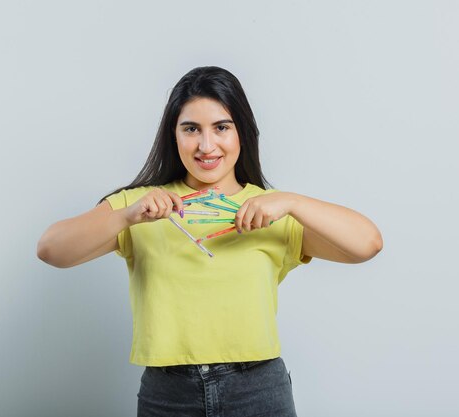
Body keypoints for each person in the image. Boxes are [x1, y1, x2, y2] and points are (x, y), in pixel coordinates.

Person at [37, 66, 383, 417]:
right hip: (168, 393)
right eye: (191, 129)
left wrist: (293, 202)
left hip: (258, 389)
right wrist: (127, 216)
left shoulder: (271, 211)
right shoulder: (141, 206)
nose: (206, 145)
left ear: (242, 133)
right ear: (173, 135)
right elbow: (51, 250)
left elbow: (367, 243)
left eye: (221, 127)